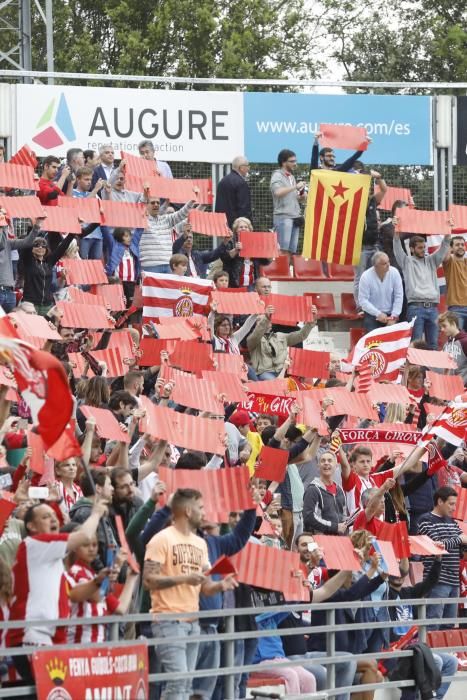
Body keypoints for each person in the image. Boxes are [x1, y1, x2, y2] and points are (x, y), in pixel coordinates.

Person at [143, 488, 238, 700]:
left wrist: (221, 585)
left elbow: (205, 587)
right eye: (201, 508)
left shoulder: (201, 544)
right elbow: (148, 581)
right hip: (167, 621)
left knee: (186, 685)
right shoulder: (162, 539)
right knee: (178, 682)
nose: (204, 513)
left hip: (193, 622)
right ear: (187, 511)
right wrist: (183, 579)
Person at [6, 499, 107, 681]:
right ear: (31, 526)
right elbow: (83, 535)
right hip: (33, 638)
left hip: (50, 639)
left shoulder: (49, 555)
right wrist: (97, 512)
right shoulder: (35, 544)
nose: (53, 520)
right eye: (45, 517)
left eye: (54, 516)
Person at [418, 486, 467, 629]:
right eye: (451, 504)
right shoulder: (426, 520)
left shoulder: (452, 522)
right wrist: (459, 539)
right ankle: (430, 652)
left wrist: (460, 541)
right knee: (433, 622)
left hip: (453, 580)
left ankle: (444, 652)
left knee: (448, 626)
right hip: (437, 580)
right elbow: (436, 546)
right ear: (440, 501)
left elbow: (459, 548)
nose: (453, 508)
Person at [393, 229, 451, 349]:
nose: (423, 250)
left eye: (424, 247)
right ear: (412, 249)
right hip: (415, 307)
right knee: (416, 343)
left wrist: (448, 232)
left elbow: (444, 247)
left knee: (433, 344)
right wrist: (396, 232)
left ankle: (431, 368)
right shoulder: (406, 262)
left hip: (433, 308)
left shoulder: (432, 260)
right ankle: (415, 368)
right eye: (419, 247)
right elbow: (397, 248)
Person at [246, 308, 316, 380]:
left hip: (282, 372)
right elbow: (258, 332)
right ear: (257, 325)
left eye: (268, 319)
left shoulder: (281, 336)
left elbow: (301, 335)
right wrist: (266, 318)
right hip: (263, 373)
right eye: (261, 321)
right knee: (275, 381)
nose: (266, 321)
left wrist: (311, 320)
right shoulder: (252, 340)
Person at [140, 193, 198, 274]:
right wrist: (144, 196)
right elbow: (138, 208)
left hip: (168, 264)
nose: (156, 205)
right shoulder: (141, 220)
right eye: (152, 203)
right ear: (146, 205)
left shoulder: (166, 219)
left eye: (158, 203)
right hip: (150, 266)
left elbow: (182, 214)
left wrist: (192, 201)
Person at [270, 149, 306, 259]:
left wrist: (301, 196)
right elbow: (278, 192)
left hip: (295, 217)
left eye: (295, 161)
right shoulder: (277, 175)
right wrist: (295, 187)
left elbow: (291, 196)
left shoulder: (291, 177)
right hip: (283, 217)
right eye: (292, 161)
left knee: (291, 251)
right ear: (283, 162)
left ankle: (286, 274)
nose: (295, 164)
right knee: (282, 249)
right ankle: (279, 274)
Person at [303, 451, 348, 534]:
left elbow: (344, 516)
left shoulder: (340, 489)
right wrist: (334, 527)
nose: (326, 463)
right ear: (318, 466)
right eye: (323, 461)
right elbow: (309, 517)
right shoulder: (313, 490)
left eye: (330, 460)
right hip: (320, 539)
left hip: (338, 540)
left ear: (336, 466)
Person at [358, 251, 404, 331]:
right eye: (384, 264)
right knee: (372, 338)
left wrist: (394, 316)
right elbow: (363, 300)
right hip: (372, 314)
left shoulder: (394, 272)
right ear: (376, 266)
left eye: (388, 262)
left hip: (391, 313)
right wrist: (378, 313)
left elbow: (399, 296)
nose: (388, 265)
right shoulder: (365, 276)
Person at [215, 156, 252, 227]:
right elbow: (244, 208)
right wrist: (246, 224)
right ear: (241, 168)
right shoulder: (241, 183)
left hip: (222, 224)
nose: (248, 168)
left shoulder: (222, 181)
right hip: (237, 226)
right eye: (247, 166)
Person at [443, 235, 467, 329]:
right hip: (456, 309)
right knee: (456, 341)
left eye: (462, 244)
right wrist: (448, 234)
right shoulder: (450, 261)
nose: (460, 246)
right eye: (457, 245)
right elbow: (445, 256)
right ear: (451, 248)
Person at [438, 311, 467, 384]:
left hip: (462, 388)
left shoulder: (465, 341)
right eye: (440, 327)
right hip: (449, 387)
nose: (442, 329)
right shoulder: (446, 345)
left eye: (444, 326)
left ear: (453, 324)